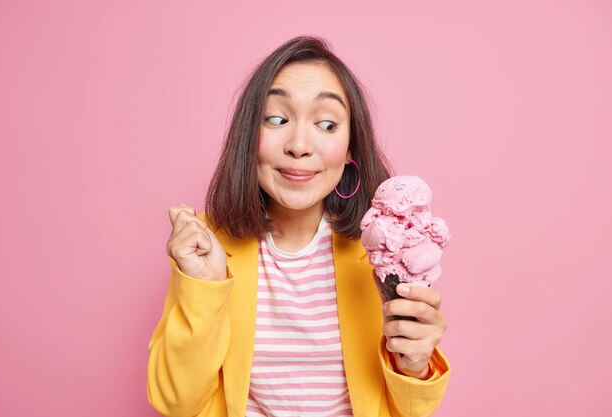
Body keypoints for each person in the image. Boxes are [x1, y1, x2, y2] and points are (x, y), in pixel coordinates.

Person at [147, 36, 451, 417]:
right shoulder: (209, 248)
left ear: (350, 149)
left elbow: (408, 411)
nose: (300, 145)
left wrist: (414, 365)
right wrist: (204, 289)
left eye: (326, 124)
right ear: (248, 138)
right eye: (277, 119)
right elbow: (177, 403)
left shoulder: (380, 250)